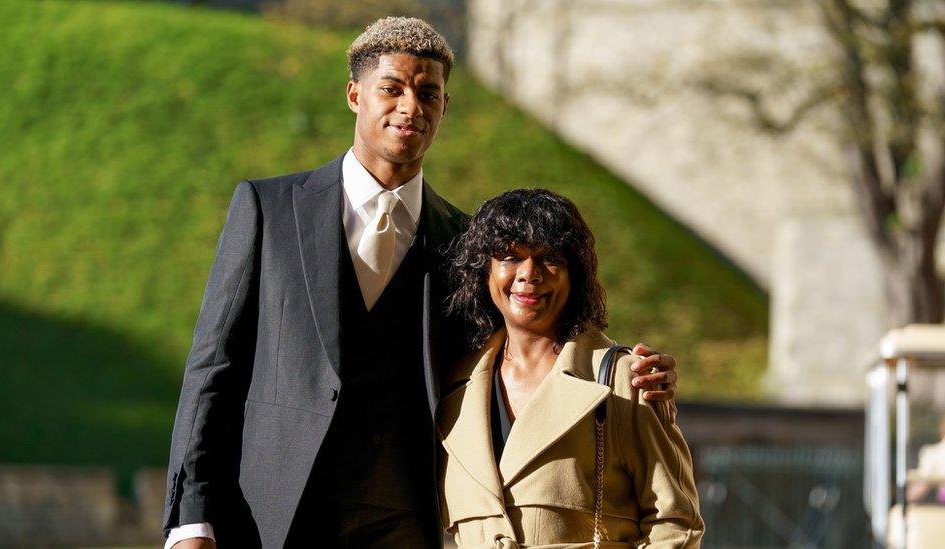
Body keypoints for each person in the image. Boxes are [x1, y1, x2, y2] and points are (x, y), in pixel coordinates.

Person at [164, 18, 680, 549]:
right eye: (391, 89)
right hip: (270, 515)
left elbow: (529, 331)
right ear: (354, 95)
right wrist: (191, 520)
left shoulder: (465, 241)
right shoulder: (269, 209)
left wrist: (625, 371)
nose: (410, 107)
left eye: (427, 93)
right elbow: (213, 369)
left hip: (405, 520)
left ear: (444, 107)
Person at [438, 189, 703, 548]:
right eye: (509, 256)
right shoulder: (453, 386)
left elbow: (676, 522)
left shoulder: (625, 380)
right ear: (484, 271)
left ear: (573, 275)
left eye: (549, 259)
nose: (528, 275)